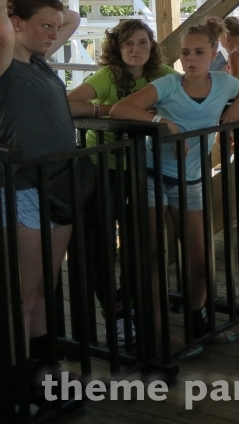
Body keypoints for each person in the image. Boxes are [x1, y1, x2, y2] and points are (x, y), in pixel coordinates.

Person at [110, 17, 239, 356]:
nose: (190, 59)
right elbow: (122, 108)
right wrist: (161, 122)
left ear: (213, 54)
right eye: (184, 53)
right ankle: (156, 331)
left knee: (199, 254)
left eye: (198, 52)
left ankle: (198, 319)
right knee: (152, 255)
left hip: (190, 178)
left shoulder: (223, 83)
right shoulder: (167, 84)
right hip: (152, 174)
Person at [66, 19, 174, 341]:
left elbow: (192, 90)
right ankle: (113, 310)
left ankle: (133, 304)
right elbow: (70, 103)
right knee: (101, 240)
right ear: (117, 48)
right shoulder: (107, 76)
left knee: (139, 238)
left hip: (142, 166)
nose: (135, 49)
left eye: (141, 42)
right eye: (127, 44)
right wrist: (114, 110)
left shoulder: (163, 75)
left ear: (151, 46)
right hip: (103, 166)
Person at [0, 0, 82, 408]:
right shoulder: (6, 62)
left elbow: (75, 16)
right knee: (22, 293)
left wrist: (41, 13)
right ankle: (14, 386)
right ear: (16, 24)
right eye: (43, 26)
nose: (53, 33)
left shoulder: (38, 60)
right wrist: (6, 5)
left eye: (53, 27)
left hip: (58, 182)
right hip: (24, 186)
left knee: (44, 289)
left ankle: (41, 373)